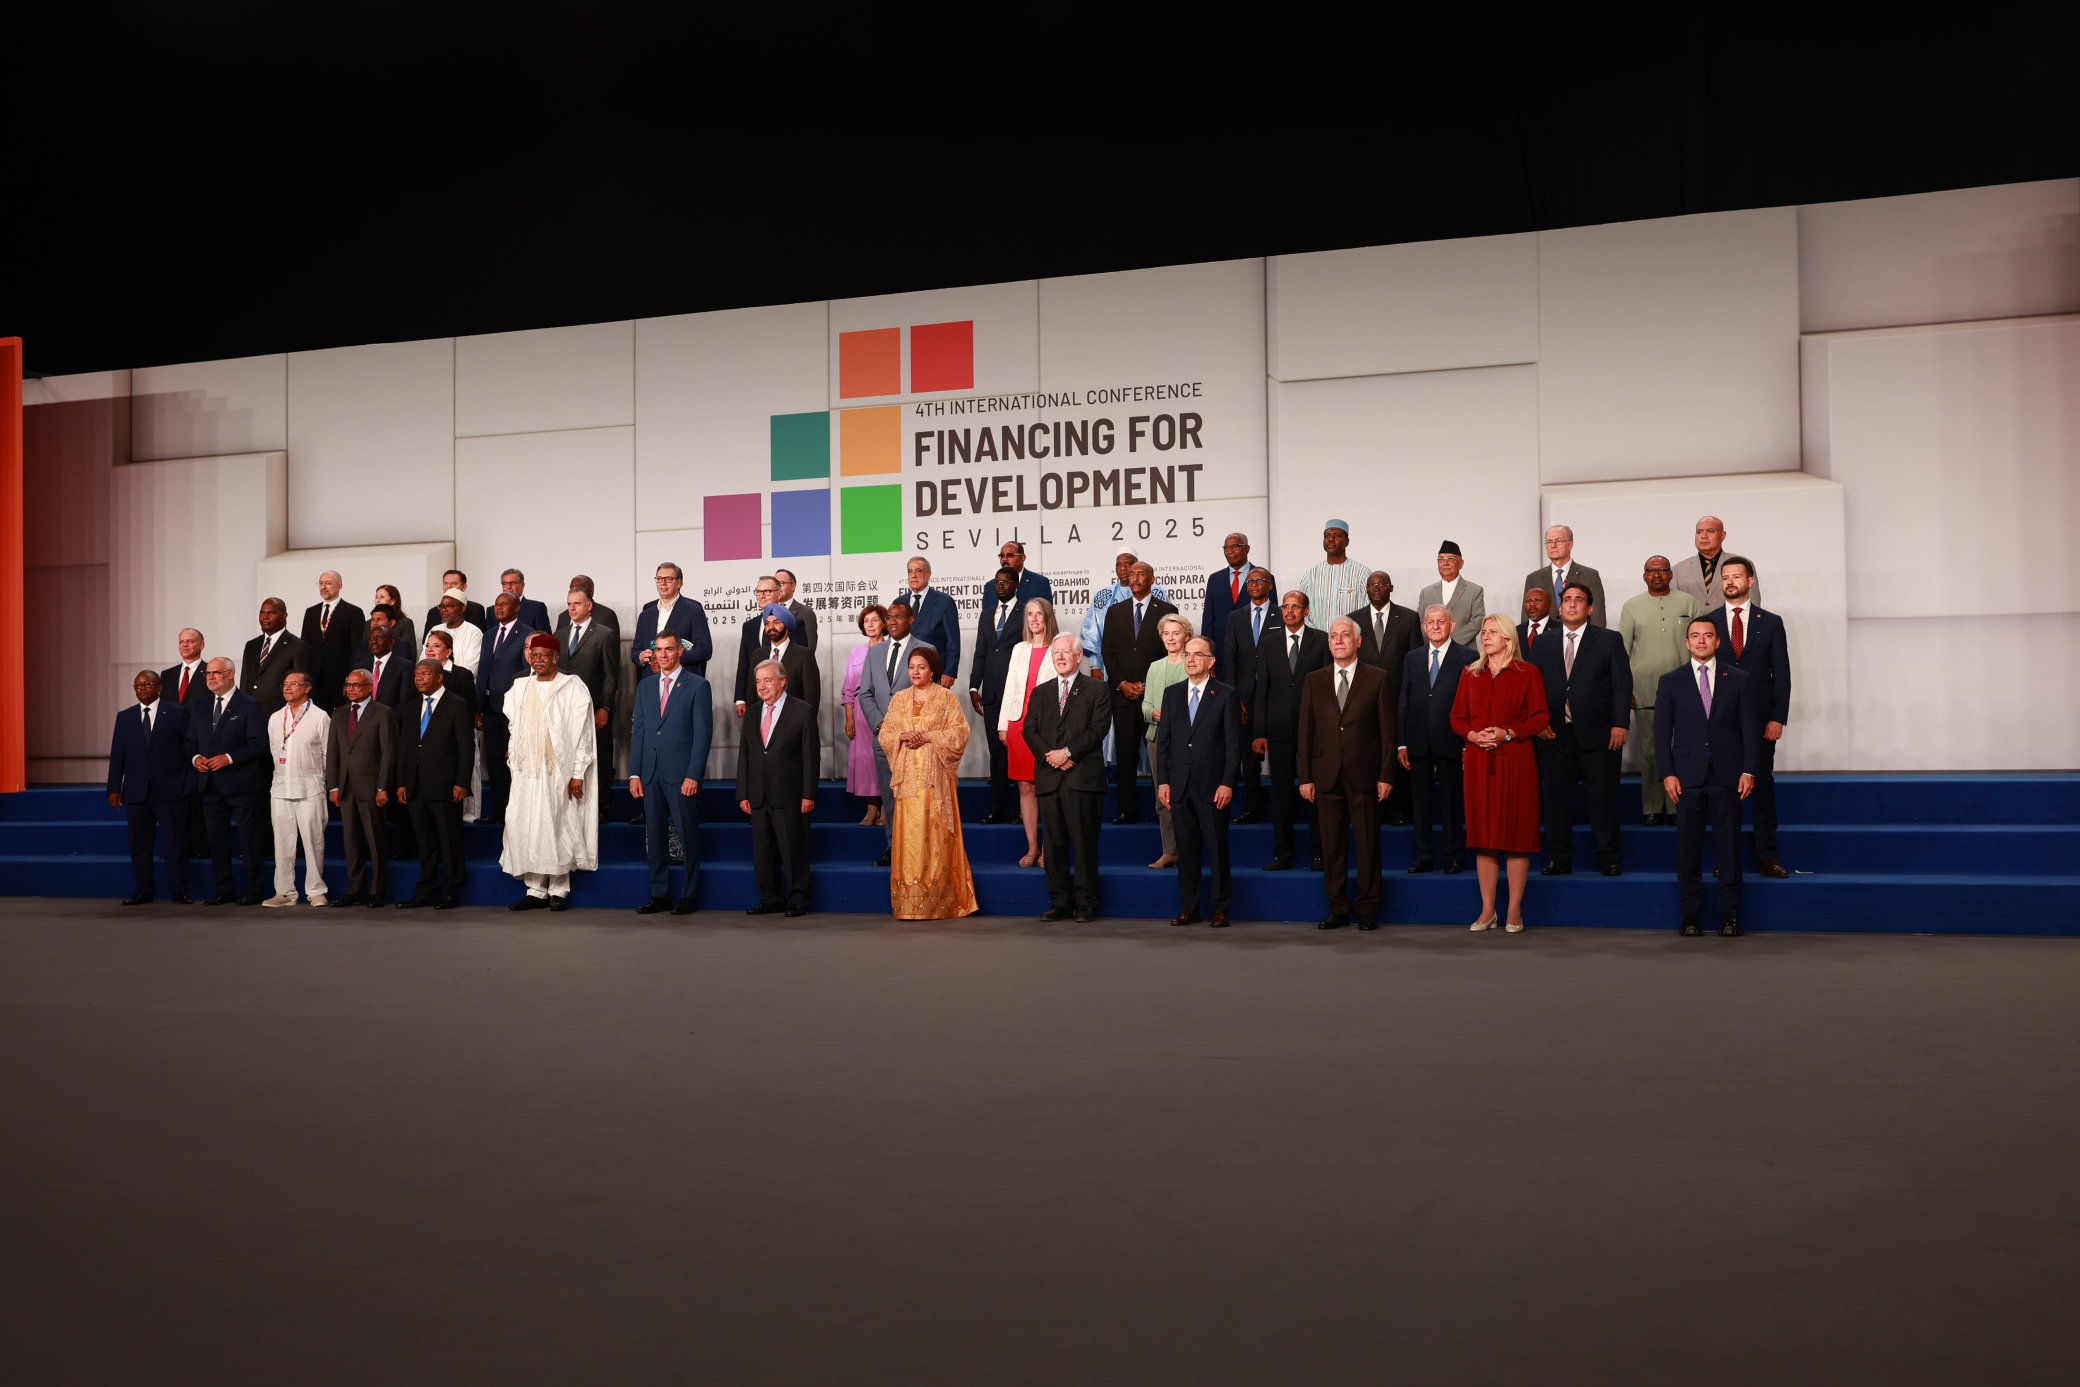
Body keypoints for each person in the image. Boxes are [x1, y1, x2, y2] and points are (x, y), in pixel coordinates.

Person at [1657, 617, 1760, 936]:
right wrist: (1667, 773)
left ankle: (1729, 915)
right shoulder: (1671, 681)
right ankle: (1691, 916)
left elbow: (1750, 730)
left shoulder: (1739, 679)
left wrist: (1749, 769)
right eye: (1695, 636)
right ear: (1687, 642)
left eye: (1707, 636)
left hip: (1728, 776)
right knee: (1688, 849)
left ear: (1718, 642)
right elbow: (1661, 734)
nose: (1701, 641)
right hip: (1687, 776)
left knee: (1729, 848)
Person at [1451, 615, 1551, 933]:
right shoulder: (1470, 674)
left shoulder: (1527, 673)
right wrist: (1472, 735)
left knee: (1516, 837)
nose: (1486, 636)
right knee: (1485, 838)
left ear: (1508, 638)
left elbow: (1540, 717)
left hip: (1516, 761)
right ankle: (1487, 910)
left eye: (1493, 632)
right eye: (1483, 632)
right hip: (1479, 762)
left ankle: (1514, 910)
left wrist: (1508, 733)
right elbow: (1457, 717)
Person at [1529, 583, 1633, 876]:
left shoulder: (1609, 640)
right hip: (1553, 734)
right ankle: (1558, 856)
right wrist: (1538, 722)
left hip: (1600, 735)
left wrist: (1620, 723)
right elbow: (1532, 687)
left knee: (1603, 799)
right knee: (1555, 799)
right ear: (1559, 607)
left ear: (1590, 608)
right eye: (1567, 599)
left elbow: (1622, 685)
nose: (1572, 604)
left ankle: (1608, 856)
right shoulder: (1543, 642)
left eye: (1579, 600)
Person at [1299, 617, 1395, 930]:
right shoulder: (1314, 680)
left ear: (1358, 641)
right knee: (1331, 846)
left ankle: (1368, 908)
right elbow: (1306, 732)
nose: (1339, 640)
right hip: (1325, 775)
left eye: (1345, 635)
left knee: (1367, 844)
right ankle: (1337, 908)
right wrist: (1306, 777)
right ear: (1328, 643)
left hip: (1365, 774)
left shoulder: (1378, 677)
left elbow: (1387, 732)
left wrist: (1386, 774)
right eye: (1333, 636)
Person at [878, 646, 979, 920]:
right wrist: (902, 736)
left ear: (932, 670)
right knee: (910, 837)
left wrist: (928, 736)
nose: (915, 672)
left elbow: (960, 732)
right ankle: (909, 904)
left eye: (921, 667)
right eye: (912, 667)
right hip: (908, 780)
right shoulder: (899, 699)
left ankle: (942, 901)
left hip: (935, 780)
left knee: (935, 836)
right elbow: (885, 734)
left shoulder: (946, 698)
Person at [499, 633, 598, 911]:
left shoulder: (572, 686)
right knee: (526, 824)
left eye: (544, 655)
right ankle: (535, 889)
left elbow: (582, 735)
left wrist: (577, 773)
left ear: (556, 657)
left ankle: (558, 888)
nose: (538, 660)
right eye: (534, 655)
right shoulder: (520, 687)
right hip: (526, 773)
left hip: (557, 771)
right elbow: (513, 728)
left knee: (556, 824)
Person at [1709, 556, 1791, 877]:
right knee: (1724, 794)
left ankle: (1766, 855)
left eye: (1736, 576)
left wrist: (1778, 717)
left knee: (1762, 789)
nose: (1730, 582)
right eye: (1725, 577)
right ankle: (1726, 859)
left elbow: (1781, 674)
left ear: (1750, 581)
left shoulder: (1770, 622)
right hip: (1721, 722)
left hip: (1760, 721)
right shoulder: (1709, 622)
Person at [1156, 636, 1241, 928]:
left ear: (1211, 661)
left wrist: (1227, 782)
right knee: (1187, 851)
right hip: (1179, 786)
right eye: (1187, 654)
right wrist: (1163, 781)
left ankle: (1220, 908)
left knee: (1217, 850)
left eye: (1197, 654)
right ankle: (1189, 908)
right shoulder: (1172, 694)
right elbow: (1164, 743)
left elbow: (1233, 745)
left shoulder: (1226, 694)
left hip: (1213, 786)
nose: (1190, 659)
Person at [1023, 635, 1107, 923]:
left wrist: (1068, 753)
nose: (1059, 657)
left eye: (1065, 652)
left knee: (1084, 844)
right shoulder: (1041, 692)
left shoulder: (1097, 688)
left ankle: (1085, 903)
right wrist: (1052, 756)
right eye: (1055, 652)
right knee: (1054, 843)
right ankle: (1059, 901)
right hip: (1050, 778)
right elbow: (1029, 730)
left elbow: (1098, 728)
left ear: (1078, 656)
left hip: (1082, 778)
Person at [630, 630, 712, 916]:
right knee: (655, 837)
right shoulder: (646, 687)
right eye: (659, 650)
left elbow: (702, 736)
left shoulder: (698, 685)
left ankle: (689, 895)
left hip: (681, 775)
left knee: (687, 836)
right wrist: (634, 773)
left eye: (668, 649)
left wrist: (694, 775)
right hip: (650, 773)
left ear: (679, 651)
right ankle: (660, 894)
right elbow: (639, 732)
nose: (663, 655)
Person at [1618, 556, 1701, 826]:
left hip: (1686, 690)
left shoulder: (1688, 603)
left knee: (1682, 750)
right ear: (1644, 575)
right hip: (1644, 690)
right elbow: (1621, 653)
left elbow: (1700, 645)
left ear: (1670, 574)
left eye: (1662, 570)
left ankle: (1677, 807)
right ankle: (1652, 807)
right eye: (1651, 570)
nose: (1657, 574)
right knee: (1650, 752)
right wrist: (1626, 690)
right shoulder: (1632, 606)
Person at [1252, 590, 1330, 870]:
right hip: (1279, 730)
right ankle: (1282, 853)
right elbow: (1262, 690)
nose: (1289, 611)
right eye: (1285, 606)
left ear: (1306, 611)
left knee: (1316, 792)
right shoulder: (1268, 642)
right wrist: (1259, 732)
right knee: (1281, 795)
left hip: (1315, 730)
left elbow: (1327, 689)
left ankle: (1319, 853)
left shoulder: (1321, 640)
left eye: (1295, 606)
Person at [1398, 605, 1478, 874]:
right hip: (1417, 741)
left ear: (1451, 625)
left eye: (1440, 622)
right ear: (1424, 626)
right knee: (1420, 804)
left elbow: (1473, 704)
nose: (1435, 626)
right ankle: (1423, 856)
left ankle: (1453, 856)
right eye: (1430, 622)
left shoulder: (1468, 656)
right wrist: (1402, 742)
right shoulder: (1412, 657)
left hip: (1452, 741)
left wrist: (1468, 742)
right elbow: (1404, 701)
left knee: (1451, 803)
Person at [186, 656, 270, 906]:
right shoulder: (200, 706)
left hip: (243, 785)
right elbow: (190, 741)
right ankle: (224, 889)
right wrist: (196, 758)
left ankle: (254, 890)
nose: (210, 677)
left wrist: (229, 758)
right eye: (208, 673)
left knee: (250, 840)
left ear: (231, 674)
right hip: (210, 785)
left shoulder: (249, 705)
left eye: (216, 673)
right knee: (216, 840)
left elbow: (258, 744)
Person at [738, 660, 818, 917]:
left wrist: (808, 794)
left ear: (783, 681)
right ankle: (770, 898)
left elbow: (811, 757)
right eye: (758, 682)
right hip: (758, 794)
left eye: (767, 680)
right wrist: (743, 793)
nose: (761, 686)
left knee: (792, 848)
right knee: (763, 851)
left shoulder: (802, 711)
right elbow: (745, 755)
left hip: (789, 794)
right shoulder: (752, 713)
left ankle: (798, 899)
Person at [1101, 560, 1177, 825]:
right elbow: (1107, 652)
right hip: (1123, 697)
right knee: (1126, 755)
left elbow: (1171, 652)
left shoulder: (1167, 611)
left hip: (1156, 697)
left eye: (1140, 574)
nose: (1134, 578)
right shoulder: (1115, 611)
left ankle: (1163, 809)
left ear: (1152, 579)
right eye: (1131, 574)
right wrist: (1121, 683)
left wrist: (1148, 685)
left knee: (1161, 755)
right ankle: (1127, 809)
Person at [107, 670, 191, 905]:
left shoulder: (177, 713)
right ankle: (143, 890)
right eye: (137, 685)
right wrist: (113, 787)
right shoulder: (125, 717)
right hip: (136, 792)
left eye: (147, 684)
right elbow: (118, 754)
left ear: (159, 687)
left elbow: (188, 749)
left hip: (171, 790)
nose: (142, 688)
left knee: (175, 843)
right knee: (140, 845)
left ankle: (179, 890)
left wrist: (187, 783)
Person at [396, 658, 474, 909]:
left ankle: (451, 890)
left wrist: (462, 782)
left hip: (446, 785)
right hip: (415, 786)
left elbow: (466, 747)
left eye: (424, 674)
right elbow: (405, 748)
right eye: (416, 675)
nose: (419, 679)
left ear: (439, 677)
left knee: (450, 841)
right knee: (424, 841)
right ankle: (426, 889)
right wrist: (402, 782)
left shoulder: (457, 704)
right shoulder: (410, 707)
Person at [860, 599, 932, 868]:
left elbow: (929, 695)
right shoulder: (874, 653)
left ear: (911, 620)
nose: (892, 622)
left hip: (915, 740)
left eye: (898, 617)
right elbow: (865, 694)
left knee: (915, 796)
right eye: (889, 617)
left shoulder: (925, 650)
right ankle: (894, 848)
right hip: (884, 738)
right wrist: (882, 726)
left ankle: (918, 850)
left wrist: (911, 730)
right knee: (889, 798)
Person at [995, 597, 1060, 869]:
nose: (1034, 619)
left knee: (1048, 786)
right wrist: (1003, 724)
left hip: (1047, 725)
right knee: (1025, 786)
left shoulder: (1059, 646)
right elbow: (1010, 686)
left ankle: (1048, 848)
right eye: (1030, 614)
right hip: (1018, 722)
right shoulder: (1019, 649)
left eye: (1039, 614)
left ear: (1048, 617)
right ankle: (1032, 846)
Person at [1350, 570, 1419, 823]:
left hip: (1398, 697)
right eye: (1372, 584)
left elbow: (1414, 661)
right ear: (1366, 590)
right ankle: (1371, 809)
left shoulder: (1408, 618)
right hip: (1364, 698)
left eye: (1382, 584)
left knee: (1396, 749)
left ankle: (1399, 809)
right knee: (1368, 752)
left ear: (1391, 588)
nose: (1377, 588)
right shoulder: (1353, 619)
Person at [325, 667, 395, 907]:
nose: (351, 689)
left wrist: (383, 786)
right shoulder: (339, 714)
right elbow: (333, 752)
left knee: (375, 842)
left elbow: (388, 753)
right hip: (345, 789)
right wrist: (333, 786)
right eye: (348, 685)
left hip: (371, 788)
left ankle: (376, 891)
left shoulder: (383, 712)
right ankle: (355, 889)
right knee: (351, 842)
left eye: (356, 685)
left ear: (369, 687)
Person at [263, 671, 331, 907]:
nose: (288, 688)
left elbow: (327, 754)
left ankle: (316, 891)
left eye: (294, 684)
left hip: (310, 786)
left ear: (307, 688)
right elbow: (274, 750)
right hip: (280, 787)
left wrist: (325, 783)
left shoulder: (320, 716)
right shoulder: (275, 717)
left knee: (314, 842)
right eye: (285, 684)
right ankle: (285, 893)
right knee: (282, 843)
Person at [1139, 613, 1195, 869]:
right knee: (1162, 796)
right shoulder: (1155, 667)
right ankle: (1169, 850)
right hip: (1157, 737)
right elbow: (1146, 704)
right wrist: (1153, 712)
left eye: (1176, 633)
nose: (1171, 638)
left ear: (1186, 636)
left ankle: (1188, 850)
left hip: (1187, 739)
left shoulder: (1193, 663)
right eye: (1166, 633)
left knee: (1187, 796)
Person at [1220, 566, 1276, 821]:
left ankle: (1280, 808)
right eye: (1250, 581)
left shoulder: (1281, 614)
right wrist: (1233, 696)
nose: (1253, 584)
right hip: (1244, 697)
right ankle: (1251, 808)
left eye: (1259, 580)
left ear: (1270, 585)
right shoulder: (1236, 617)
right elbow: (1229, 657)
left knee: (1281, 756)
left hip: (1275, 695)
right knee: (1248, 756)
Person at [968, 567, 1023, 824]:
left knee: (1019, 752)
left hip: (1017, 693)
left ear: (1016, 584)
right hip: (990, 693)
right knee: (996, 753)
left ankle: (1022, 809)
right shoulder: (987, 614)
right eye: (997, 582)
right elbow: (981, 651)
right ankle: (997, 808)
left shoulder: (1027, 612)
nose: (1000, 586)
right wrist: (973, 686)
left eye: (1005, 582)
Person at [559, 588, 621, 814]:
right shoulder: (559, 634)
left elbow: (610, 675)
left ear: (589, 606)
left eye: (576, 604)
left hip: (594, 708)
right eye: (569, 604)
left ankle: (601, 806)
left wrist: (605, 707)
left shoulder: (604, 634)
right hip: (565, 710)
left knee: (599, 756)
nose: (572, 608)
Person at [477, 592, 537, 824]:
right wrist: (478, 706)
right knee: (494, 761)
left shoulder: (526, 633)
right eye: (496, 604)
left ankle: (518, 813)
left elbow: (526, 672)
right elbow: (483, 669)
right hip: (491, 709)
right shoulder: (489, 634)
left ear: (517, 608)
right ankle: (499, 811)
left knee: (513, 761)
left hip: (514, 709)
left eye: (504, 604)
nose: (499, 607)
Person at [1079, 549, 1168, 675]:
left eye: (1128, 564)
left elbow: (1167, 631)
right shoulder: (1104, 596)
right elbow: (1093, 634)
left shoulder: (1158, 593)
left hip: (1153, 667)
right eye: (1119, 564)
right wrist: (1095, 666)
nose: (1122, 568)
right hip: (1113, 671)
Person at [162, 627, 211, 855]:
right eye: (181, 641)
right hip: (172, 746)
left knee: (197, 798)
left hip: (200, 744)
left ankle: (199, 845)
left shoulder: (211, 672)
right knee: (173, 800)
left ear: (202, 645)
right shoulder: (167, 675)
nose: (184, 645)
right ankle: (176, 846)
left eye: (190, 641)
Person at [841, 604, 889, 826]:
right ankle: (871, 809)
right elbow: (848, 689)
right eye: (866, 621)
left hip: (885, 710)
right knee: (865, 762)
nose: (870, 625)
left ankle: (887, 809)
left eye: (874, 620)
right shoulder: (856, 652)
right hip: (860, 714)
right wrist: (849, 717)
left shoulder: (891, 649)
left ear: (884, 623)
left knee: (886, 759)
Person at [299, 570, 365, 710]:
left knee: (341, 719)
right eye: (321, 583)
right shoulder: (311, 612)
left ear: (340, 586)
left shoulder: (353, 612)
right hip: (315, 682)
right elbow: (305, 647)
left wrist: (350, 681)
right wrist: (305, 678)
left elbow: (357, 649)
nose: (323, 587)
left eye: (328, 583)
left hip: (340, 680)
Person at [631, 562, 711, 677]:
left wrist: (672, 658)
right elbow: (635, 651)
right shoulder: (645, 614)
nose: (663, 583)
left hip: (682, 679)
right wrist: (641, 656)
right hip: (651, 680)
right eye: (659, 579)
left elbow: (704, 650)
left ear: (679, 583)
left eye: (668, 579)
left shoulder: (694, 611)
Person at [890, 557, 958, 687]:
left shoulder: (944, 601)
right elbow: (893, 637)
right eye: (910, 571)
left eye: (918, 571)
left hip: (933, 672)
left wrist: (950, 671)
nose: (913, 575)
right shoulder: (899, 602)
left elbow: (953, 641)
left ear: (928, 574)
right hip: (903, 672)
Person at [1523, 525, 1607, 629]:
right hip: (1545, 637)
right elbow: (1527, 621)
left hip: (1580, 637)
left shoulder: (1590, 576)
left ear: (1570, 545)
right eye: (1549, 542)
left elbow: (1598, 619)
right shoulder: (1533, 578)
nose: (1553, 545)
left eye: (1558, 541)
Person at [1672, 515, 1757, 617]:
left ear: (1723, 535)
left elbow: (1754, 604)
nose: (1703, 536)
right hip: (1692, 626)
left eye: (1710, 531)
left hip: (1730, 625)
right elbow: (1673, 608)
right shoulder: (1678, 570)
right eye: (1699, 532)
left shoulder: (1742, 564)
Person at [1299, 519, 1372, 633]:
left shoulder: (1362, 573)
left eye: (1337, 535)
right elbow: (1300, 609)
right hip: (1317, 640)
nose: (1331, 539)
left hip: (1350, 639)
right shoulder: (1311, 574)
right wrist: (1316, 635)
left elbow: (1369, 611)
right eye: (1327, 536)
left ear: (1347, 541)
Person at [240, 597, 307, 717]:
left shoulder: (297, 645)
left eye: (271, 613)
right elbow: (245, 681)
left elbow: (299, 685)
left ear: (284, 615)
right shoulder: (251, 645)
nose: (265, 617)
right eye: (262, 613)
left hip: (280, 715)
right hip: (250, 713)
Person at [1416, 541, 1485, 648]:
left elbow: (1477, 621)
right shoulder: (1426, 592)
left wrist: (1450, 644)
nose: (1445, 563)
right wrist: (1435, 641)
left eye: (1450, 559)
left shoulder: (1474, 590)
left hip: (1464, 650)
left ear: (1461, 563)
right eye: (1441, 559)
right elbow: (1420, 622)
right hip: (1433, 650)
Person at [731, 576, 783, 718]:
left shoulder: (793, 624)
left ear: (779, 593)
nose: (761, 596)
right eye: (758, 592)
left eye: (767, 591)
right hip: (755, 696)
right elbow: (744, 664)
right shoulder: (749, 626)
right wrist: (740, 698)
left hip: (783, 695)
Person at [979, 541, 1053, 637]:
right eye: (1002, 556)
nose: (1005, 559)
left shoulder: (1039, 582)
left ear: (1023, 558)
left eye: (1010, 555)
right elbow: (986, 623)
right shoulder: (990, 586)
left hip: (1028, 640)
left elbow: (1046, 617)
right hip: (998, 644)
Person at [1200, 531, 1253, 639]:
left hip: (1253, 643)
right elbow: (1208, 618)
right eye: (1226, 547)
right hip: (1221, 644)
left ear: (1247, 549)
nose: (1230, 551)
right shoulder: (1214, 579)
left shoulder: (1263, 577)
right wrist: (1206, 645)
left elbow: (1271, 616)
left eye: (1235, 546)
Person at [357, 620, 410, 709]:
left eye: (379, 637)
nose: (373, 641)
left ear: (391, 641)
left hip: (390, 716)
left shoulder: (405, 667)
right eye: (371, 638)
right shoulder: (360, 667)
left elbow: (404, 703)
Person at [433, 587, 484, 676]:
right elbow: (424, 660)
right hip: (434, 680)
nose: (444, 609)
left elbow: (470, 669)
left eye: (449, 606)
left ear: (463, 608)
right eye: (441, 606)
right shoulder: (435, 629)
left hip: (461, 682)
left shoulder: (474, 632)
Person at [425, 569, 486, 635]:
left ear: (464, 587)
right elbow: (427, 639)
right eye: (446, 583)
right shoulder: (433, 612)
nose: (449, 587)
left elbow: (477, 635)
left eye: (454, 583)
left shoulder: (475, 609)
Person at [496, 568, 554, 635]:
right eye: (505, 584)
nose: (508, 587)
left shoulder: (536, 608)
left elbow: (546, 638)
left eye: (513, 583)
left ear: (522, 585)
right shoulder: (491, 611)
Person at [773, 568, 819, 651]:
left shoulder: (806, 613)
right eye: (775, 584)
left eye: (781, 583)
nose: (778, 588)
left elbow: (810, 648)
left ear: (793, 586)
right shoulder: (770, 612)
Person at [372, 584, 417, 662]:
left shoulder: (405, 623)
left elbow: (410, 653)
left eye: (382, 597)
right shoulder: (368, 624)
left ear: (393, 601)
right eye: (376, 597)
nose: (377, 601)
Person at [1519, 586, 1553, 654]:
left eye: (1538, 600)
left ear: (1550, 605)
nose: (1532, 604)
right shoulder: (1516, 631)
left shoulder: (1560, 630)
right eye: (1528, 601)